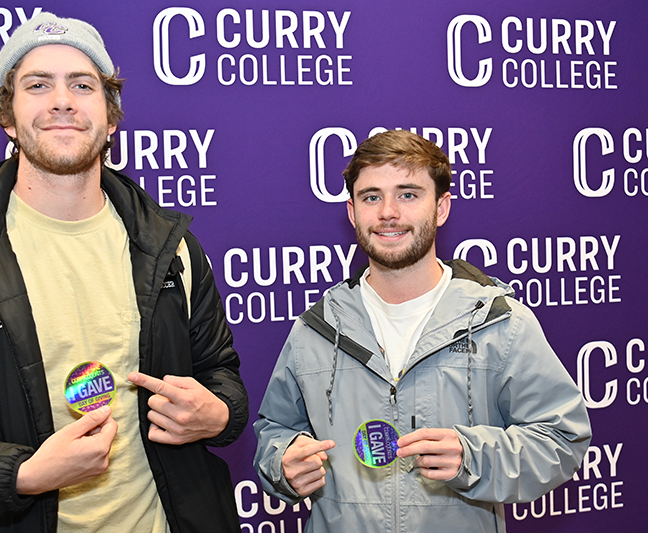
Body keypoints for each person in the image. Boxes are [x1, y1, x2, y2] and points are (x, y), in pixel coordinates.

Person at [0, 12, 247, 533]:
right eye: (38, 85)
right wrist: (24, 473)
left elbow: (222, 377)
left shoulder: (171, 248)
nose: (62, 101)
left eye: (82, 85)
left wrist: (220, 414)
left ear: (111, 116)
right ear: (7, 117)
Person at [253, 129, 591, 532]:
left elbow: (561, 439)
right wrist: (283, 463)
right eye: (371, 197)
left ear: (441, 207)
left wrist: (472, 456)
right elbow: (275, 432)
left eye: (408, 194)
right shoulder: (319, 328)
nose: (388, 212)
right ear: (352, 211)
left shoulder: (501, 323)